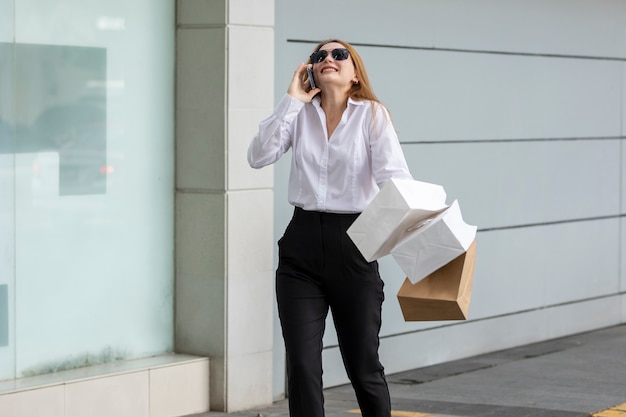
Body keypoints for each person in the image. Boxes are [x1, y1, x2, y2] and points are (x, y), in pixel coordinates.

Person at [247, 39, 413, 417]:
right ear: (310, 71)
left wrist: (417, 227)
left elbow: (395, 180)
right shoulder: (299, 115)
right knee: (302, 368)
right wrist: (292, 101)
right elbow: (258, 156)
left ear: (355, 74)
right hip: (300, 249)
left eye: (340, 55)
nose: (328, 59)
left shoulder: (372, 115)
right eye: (319, 56)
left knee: (363, 366)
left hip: (354, 244)